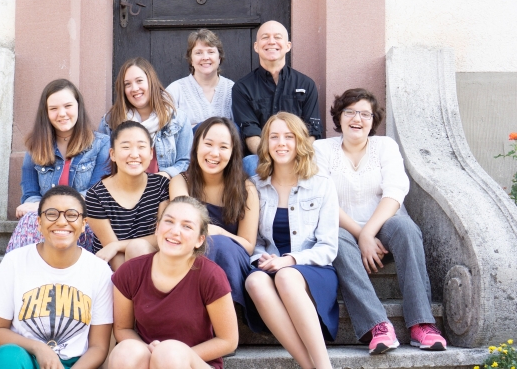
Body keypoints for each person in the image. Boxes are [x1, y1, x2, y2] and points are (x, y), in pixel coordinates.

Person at [313, 88, 447, 354]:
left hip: (383, 229)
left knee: (406, 227)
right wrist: (359, 234)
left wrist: (368, 234)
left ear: (373, 120)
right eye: (350, 112)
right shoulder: (321, 149)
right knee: (335, 237)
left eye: (365, 114)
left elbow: (395, 192)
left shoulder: (385, 146)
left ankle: (422, 324)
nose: (357, 119)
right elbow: (323, 199)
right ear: (339, 116)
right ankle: (378, 325)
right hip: (342, 230)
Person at [245, 112, 338, 369]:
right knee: (254, 281)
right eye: (274, 137)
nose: (281, 143)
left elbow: (328, 247)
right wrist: (261, 257)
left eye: (289, 137)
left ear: (300, 142)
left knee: (286, 276)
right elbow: (254, 240)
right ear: (266, 143)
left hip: (313, 269)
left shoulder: (321, 184)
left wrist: (290, 260)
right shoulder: (255, 186)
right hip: (271, 265)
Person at [0, 185, 113, 369]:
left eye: (71, 215)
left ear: (84, 224)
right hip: (24, 359)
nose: (61, 222)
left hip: (73, 364)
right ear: (39, 222)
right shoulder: (15, 262)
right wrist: (39, 348)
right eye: (52, 214)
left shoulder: (99, 271)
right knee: (9, 356)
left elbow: (98, 347)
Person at [108, 196, 238, 369]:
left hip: (195, 362)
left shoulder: (211, 275)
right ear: (157, 228)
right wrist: (150, 352)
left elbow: (228, 341)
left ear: (200, 240)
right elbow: (122, 328)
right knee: (125, 353)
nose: (175, 231)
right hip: (150, 356)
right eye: (169, 222)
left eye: (187, 226)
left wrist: (175, 354)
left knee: (169, 355)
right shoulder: (130, 271)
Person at [169, 116, 262, 330]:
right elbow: (185, 228)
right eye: (208, 144)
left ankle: (219, 327)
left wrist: (219, 232)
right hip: (190, 255)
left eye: (223, 147)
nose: (214, 153)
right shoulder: (181, 182)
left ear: (233, 152)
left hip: (233, 260)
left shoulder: (246, 188)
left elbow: (248, 245)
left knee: (216, 243)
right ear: (196, 146)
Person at [7, 79, 110, 253]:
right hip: (48, 221)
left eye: (68, 106)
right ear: (46, 112)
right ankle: (21, 270)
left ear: (78, 107)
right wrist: (42, 209)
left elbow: (96, 195)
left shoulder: (101, 144)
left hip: (84, 219)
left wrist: (49, 207)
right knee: (30, 220)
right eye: (53, 109)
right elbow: (31, 195)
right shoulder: (35, 146)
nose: (61, 114)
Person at [232, 20, 322, 175]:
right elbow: (251, 133)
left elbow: (312, 132)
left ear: (288, 46)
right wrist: (273, 158)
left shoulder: (306, 84)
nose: (271, 41)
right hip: (261, 158)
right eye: (265, 37)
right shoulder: (242, 88)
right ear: (256, 46)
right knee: (250, 162)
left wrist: (293, 158)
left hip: (299, 156)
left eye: (277, 37)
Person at [86, 121, 170, 271]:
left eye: (141, 147)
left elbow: (162, 237)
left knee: (139, 247)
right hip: (115, 272)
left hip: (153, 267)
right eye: (126, 147)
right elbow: (113, 256)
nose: (134, 154)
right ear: (112, 154)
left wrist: (117, 245)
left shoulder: (161, 186)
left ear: (151, 153)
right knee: (137, 248)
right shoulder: (96, 195)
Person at [98, 57, 192, 179]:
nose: (134, 88)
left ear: (151, 81)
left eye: (139, 81)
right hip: (124, 187)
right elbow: (103, 166)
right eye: (127, 84)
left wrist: (163, 176)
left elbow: (186, 161)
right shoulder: (110, 122)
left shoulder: (178, 119)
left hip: (164, 187)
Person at [166, 29, 234, 129]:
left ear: (219, 58)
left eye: (211, 52)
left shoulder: (233, 89)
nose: (205, 57)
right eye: (198, 53)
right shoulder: (175, 90)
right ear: (191, 60)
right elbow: (163, 130)